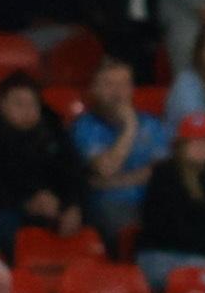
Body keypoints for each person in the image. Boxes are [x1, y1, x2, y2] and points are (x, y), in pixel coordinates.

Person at [0, 74, 87, 257]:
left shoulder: (54, 130)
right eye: (19, 104)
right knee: (5, 223)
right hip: (4, 208)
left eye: (32, 104)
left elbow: (73, 173)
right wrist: (27, 204)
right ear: (1, 105)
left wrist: (72, 205)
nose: (27, 110)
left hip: (53, 206)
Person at [72, 57, 170, 244]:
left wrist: (111, 182)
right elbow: (106, 169)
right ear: (94, 89)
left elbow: (162, 172)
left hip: (154, 200)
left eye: (124, 84)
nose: (117, 92)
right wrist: (129, 127)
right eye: (109, 84)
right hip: (112, 205)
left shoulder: (152, 124)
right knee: (124, 225)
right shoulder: (85, 126)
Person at [137, 113, 205, 293]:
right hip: (164, 255)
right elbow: (166, 228)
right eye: (195, 142)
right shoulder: (165, 174)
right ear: (181, 146)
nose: (202, 147)